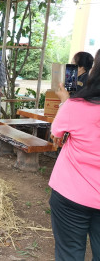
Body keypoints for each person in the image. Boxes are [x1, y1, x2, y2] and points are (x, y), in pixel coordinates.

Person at [49, 61, 100, 260]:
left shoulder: (76, 106)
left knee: (69, 253)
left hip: (71, 195)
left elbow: (56, 133)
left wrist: (64, 101)